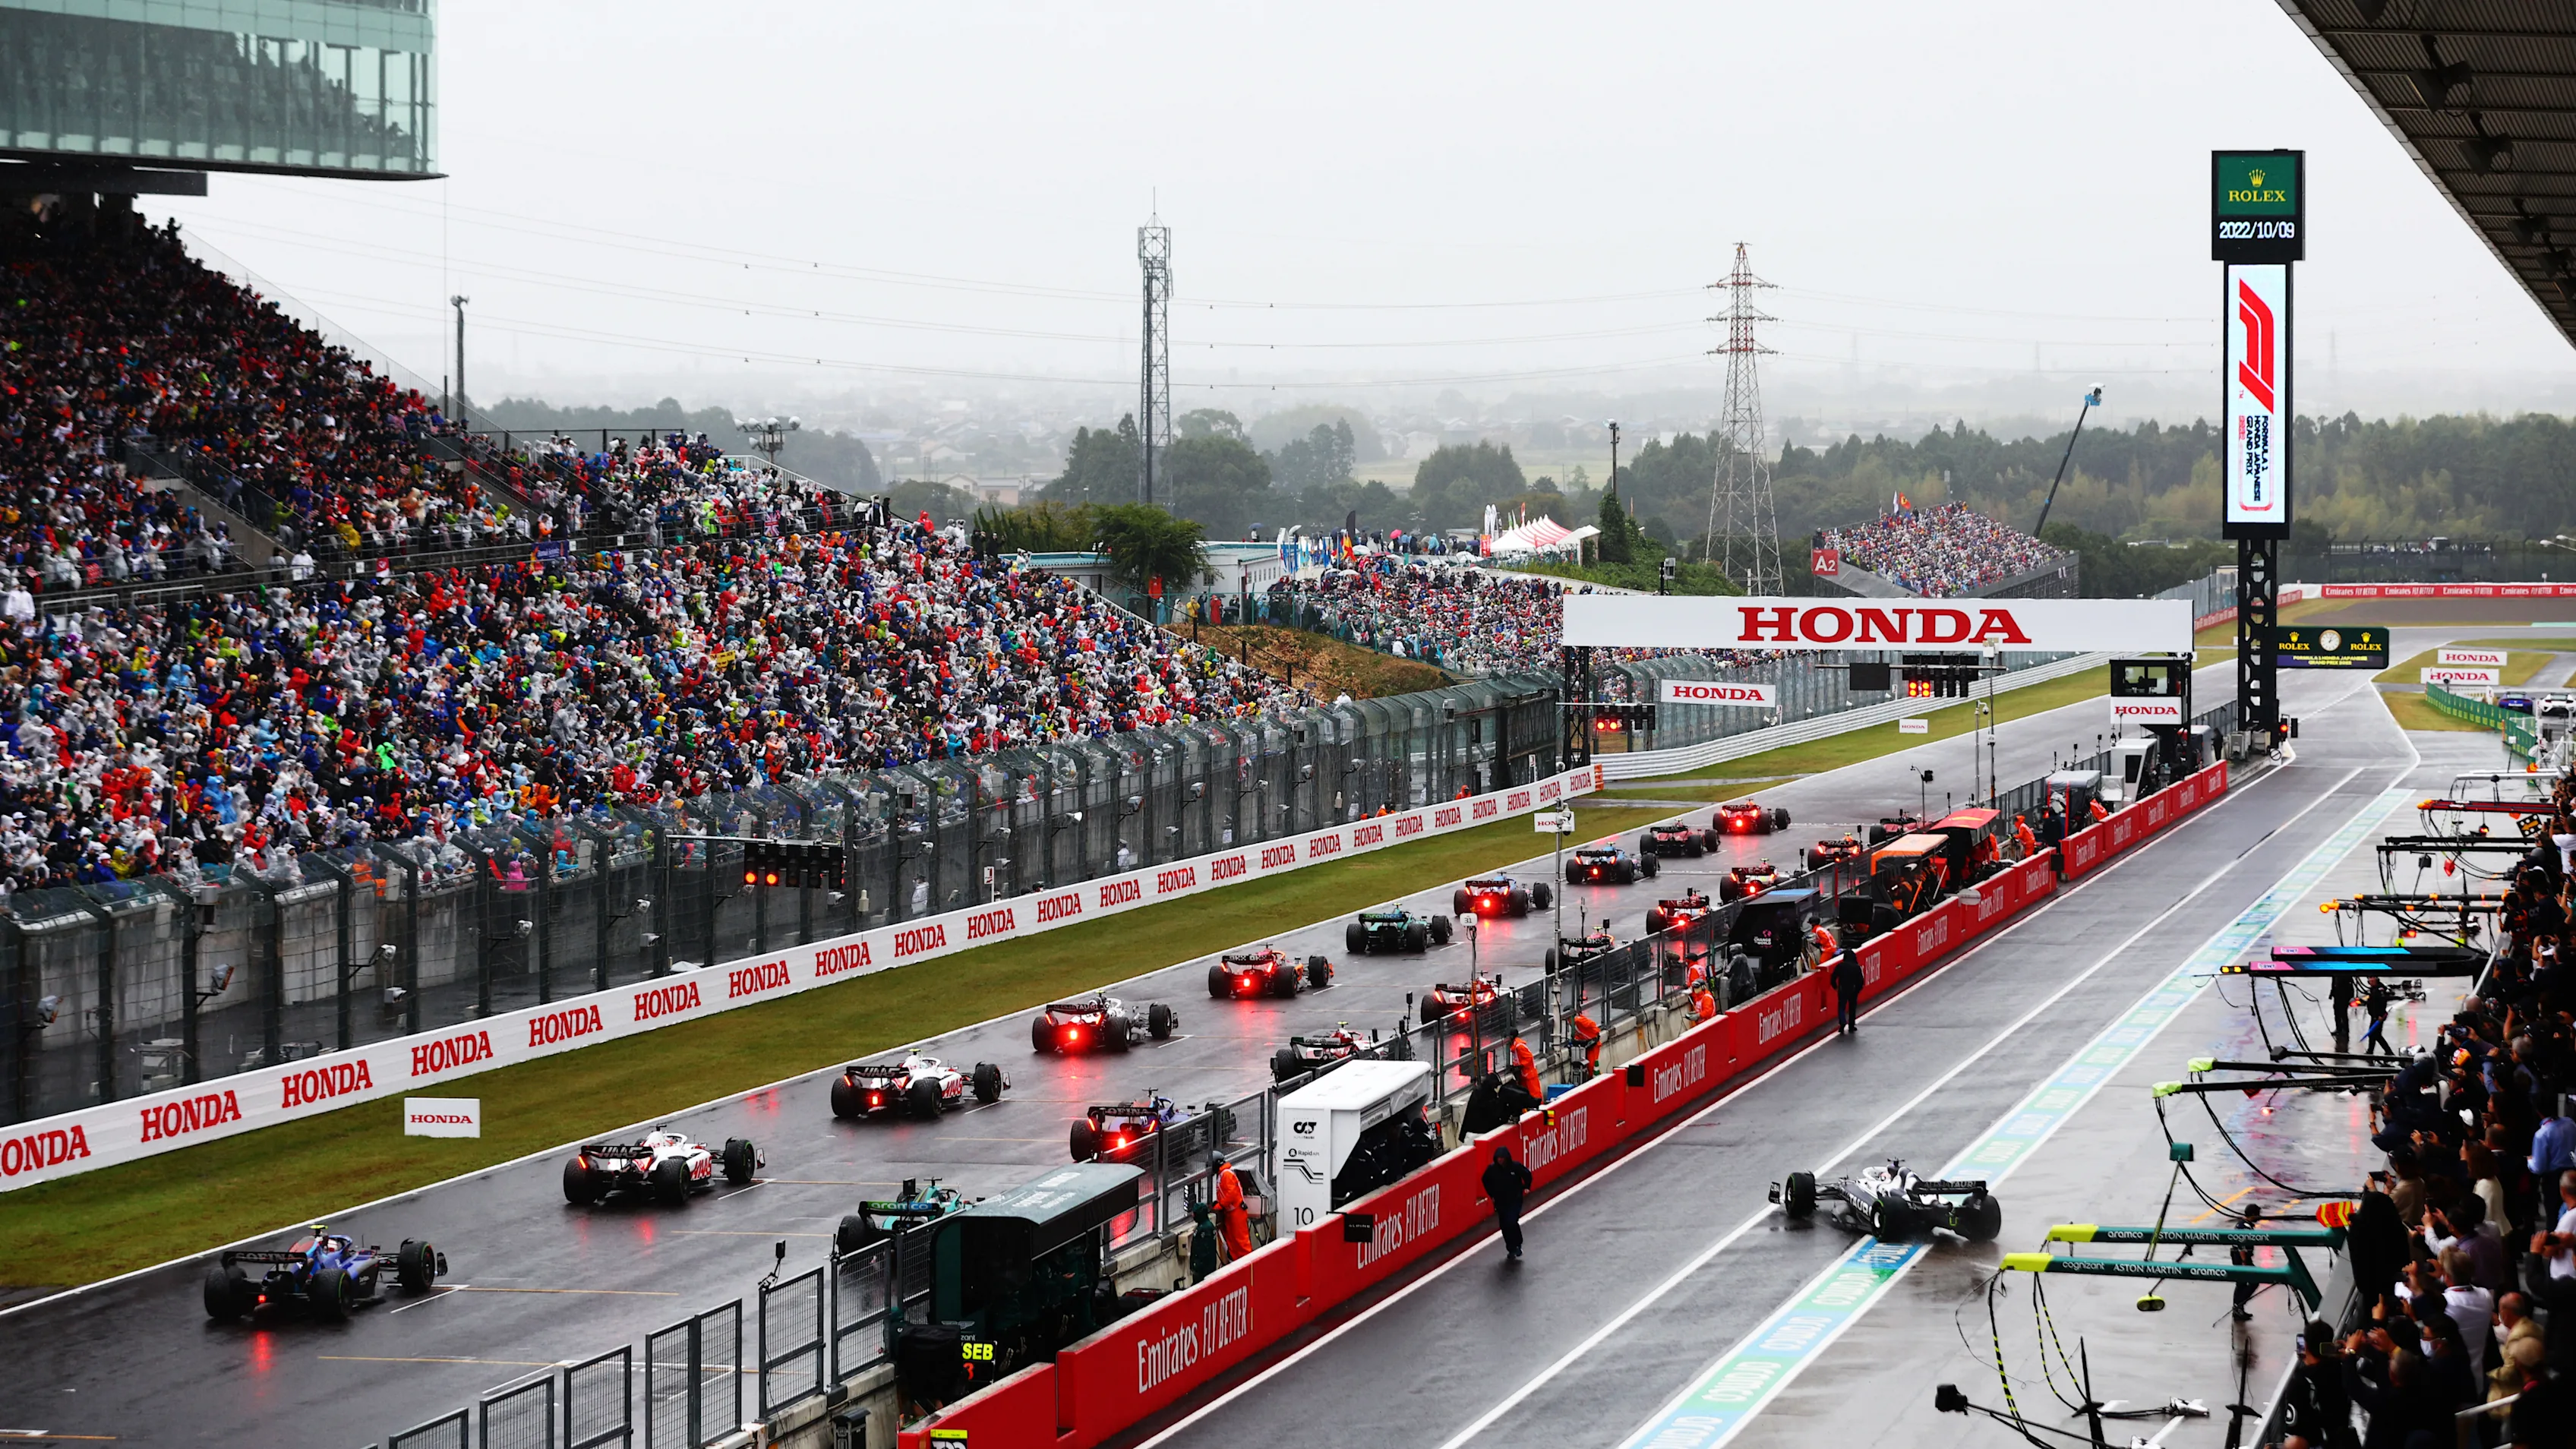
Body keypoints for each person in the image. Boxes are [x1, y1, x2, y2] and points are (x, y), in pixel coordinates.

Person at [1483, 1143, 1533, 1261]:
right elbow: (1485, 1181)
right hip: (1501, 1201)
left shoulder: (1515, 1167)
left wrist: (1526, 1186)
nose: (1500, 1160)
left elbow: (1527, 1174)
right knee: (1504, 1225)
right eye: (1498, 1158)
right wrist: (1492, 1195)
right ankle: (1511, 1248)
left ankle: (1518, 1244)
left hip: (1515, 1199)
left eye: (1502, 1158)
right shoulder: (1492, 1170)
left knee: (1512, 1221)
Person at [1210, 1156, 1251, 1263]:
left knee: (1241, 1243)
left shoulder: (1226, 1174)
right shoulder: (1223, 1174)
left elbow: (1231, 1194)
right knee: (1232, 1243)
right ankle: (1238, 1265)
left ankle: (1248, 1267)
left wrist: (1220, 1205)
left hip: (1236, 1212)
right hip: (1231, 1212)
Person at [1830, 944, 1864, 1036]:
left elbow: (1833, 977)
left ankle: (1842, 1022)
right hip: (1853, 990)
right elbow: (1861, 981)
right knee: (1852, 1008)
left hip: (1842, 989)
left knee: (1841, 1007)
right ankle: (1851, 1025)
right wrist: (1858, 990)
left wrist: (1835, 987)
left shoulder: (1840, 966)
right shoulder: (1856, 967)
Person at [1510, 1032, 1542, 1105]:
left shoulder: (1519, 1046)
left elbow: (1529, 1058)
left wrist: (1520, 1066)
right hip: (1524, 1074)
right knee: (1525, 1094)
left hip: (1529, 1074)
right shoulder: (1515, 1046)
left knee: (1535, 1094)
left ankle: (1539, 1109)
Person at [1570, 1011, 1602, 1078]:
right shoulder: (1574, 1025)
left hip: (1594, 1044)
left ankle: (1595, 1078)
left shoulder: (1579, 1020)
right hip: (1587, 1045)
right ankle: (1590, 1078)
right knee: (1588, 1065)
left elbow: (1592, 1024)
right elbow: (1579, 1034)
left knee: (1592, 1065)